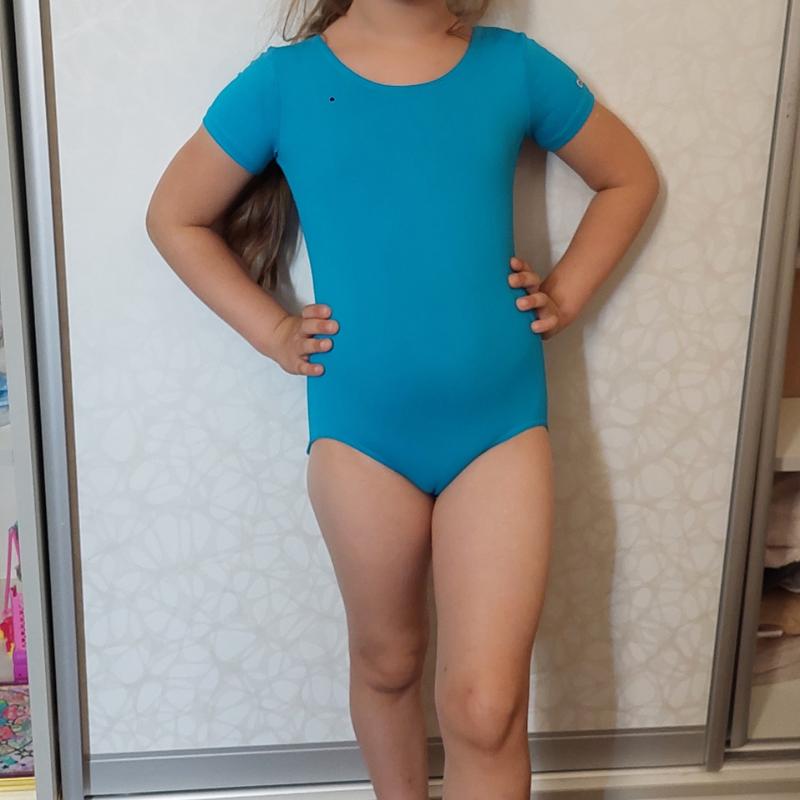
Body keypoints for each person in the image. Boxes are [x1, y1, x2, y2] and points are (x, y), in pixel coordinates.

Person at [146, 1, 659, 797]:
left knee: (487, 708)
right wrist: (273, 330)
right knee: (388, 662)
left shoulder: (513, 67)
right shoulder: (284, 84)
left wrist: (566, 292)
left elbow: (629, 177)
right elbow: (175, 216)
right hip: (361, 438)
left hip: (500, 431)